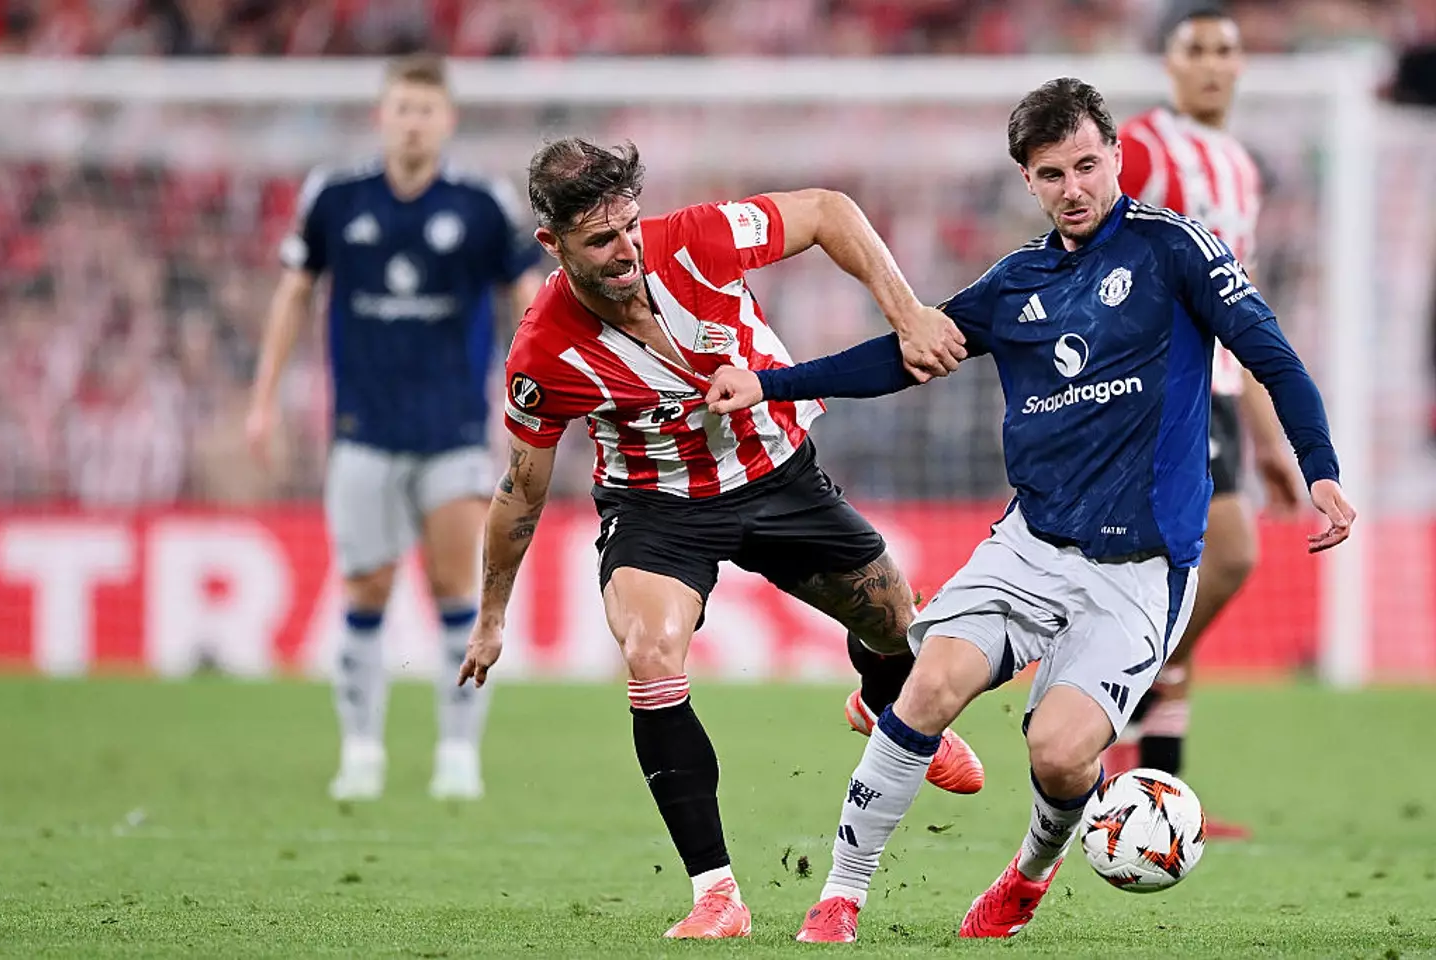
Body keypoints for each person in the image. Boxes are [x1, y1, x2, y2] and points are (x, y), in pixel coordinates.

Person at [705, 78, 1355, 942]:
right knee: (926, 685)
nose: (1075, 187)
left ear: (1117, 158)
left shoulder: (1176, 251)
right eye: (1053, 173)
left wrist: (1320, 468)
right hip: (1030, 546)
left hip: (1140, 570)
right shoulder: (1017, 284)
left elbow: (1273, 355)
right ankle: (840, 896)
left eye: (1088, 165)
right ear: (1029, 181)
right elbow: (905, 355)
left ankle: (1029, 874)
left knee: (1056, 751)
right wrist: (770, 386)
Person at [455, 137, 984, 940]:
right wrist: (493, 615)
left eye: (630, 225)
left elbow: (828, 211)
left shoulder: (697, 238)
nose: (626, 249)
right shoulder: (543, 352)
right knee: (650, 650)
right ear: (551, 244)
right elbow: (519, 493)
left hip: (775, 473)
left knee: (892, 621)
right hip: (656, 507)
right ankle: (716, 894)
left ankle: (881, 704)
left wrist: (907, 313)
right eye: (601, 239)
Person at [246, 53, 547, 802]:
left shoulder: (481, 203)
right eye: (401, 107)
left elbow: (528, 295)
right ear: (382, 116)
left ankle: (456, 755)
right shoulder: (336, 197)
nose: (413, 121)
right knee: (366, 588)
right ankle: (360, 752)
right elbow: (294, 293)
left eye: (426, 108)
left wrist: (540, 393)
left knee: (456, 588)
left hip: (451, 432)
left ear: (447, 120)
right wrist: (263, 399)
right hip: (362, 432)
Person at [1107, 4, 1306, 838]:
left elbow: (1242, 306)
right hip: (1154, 386)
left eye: (1228, 50)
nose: (1216, 65)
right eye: (1199, 51)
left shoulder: (1240, 168)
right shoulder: (1146, 147)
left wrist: (1269, 438)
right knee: (1225, 554)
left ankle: (1154, 791)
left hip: (1219, 389)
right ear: (1169, 62)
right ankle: (1112, 700)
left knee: (1194, 576)